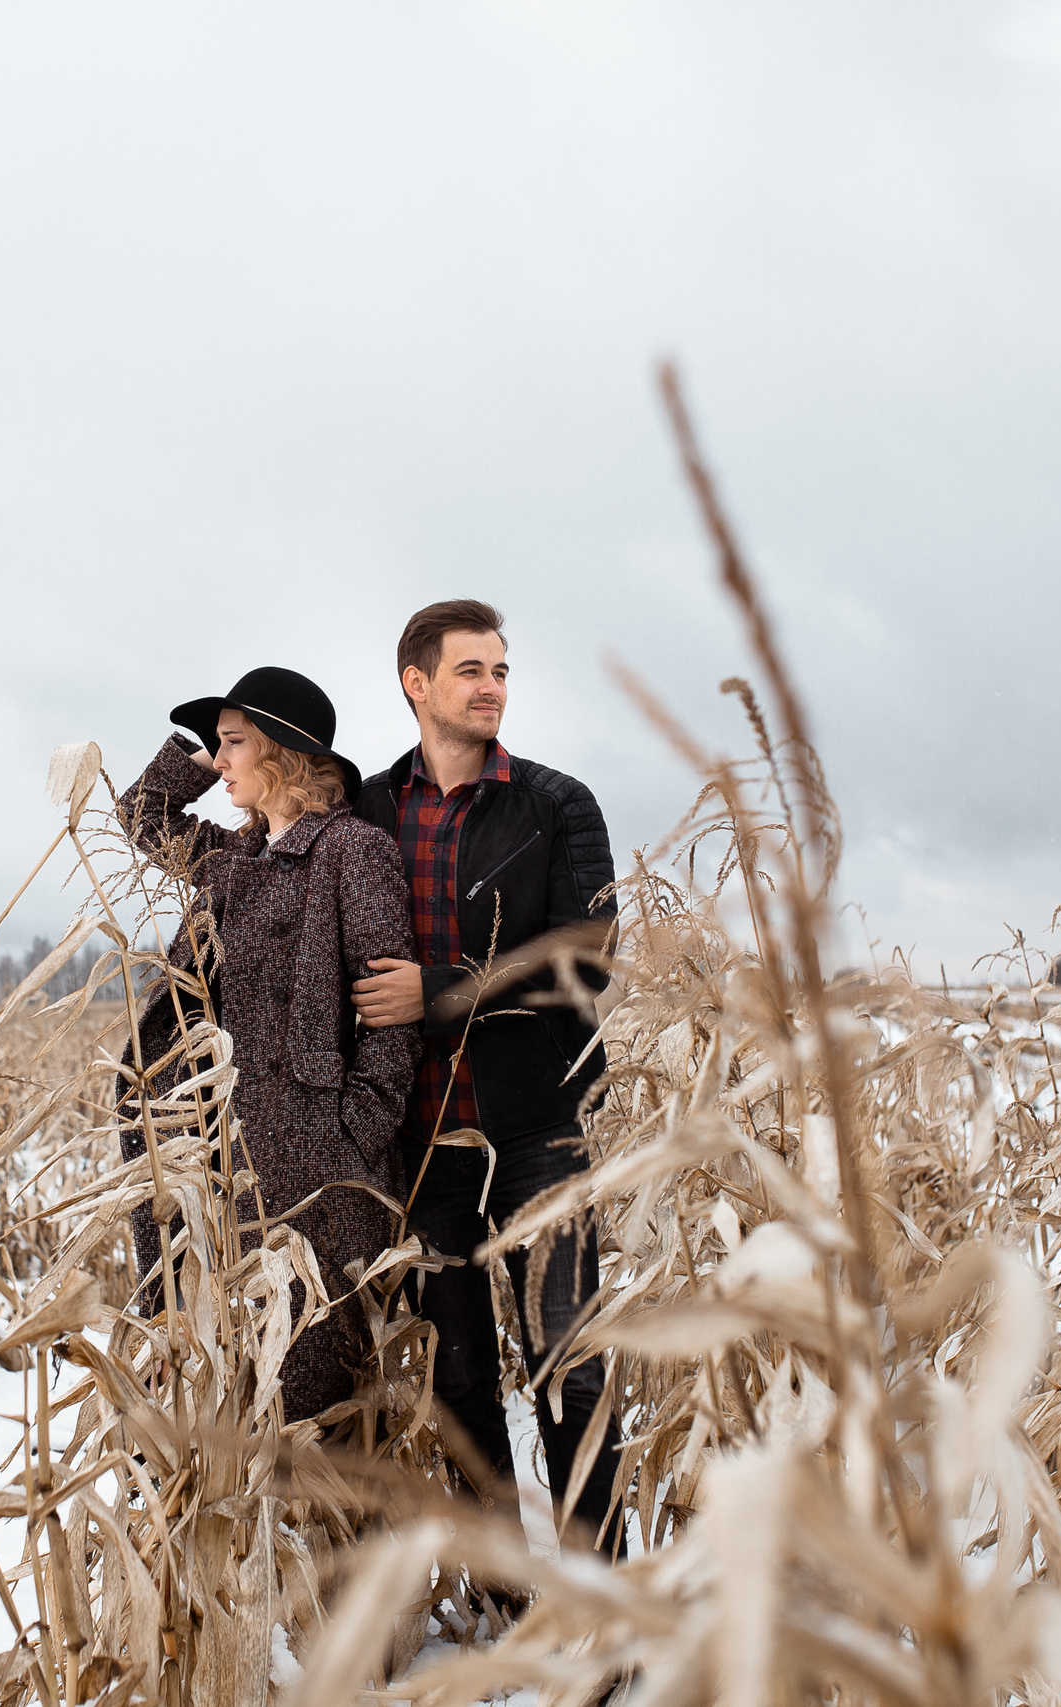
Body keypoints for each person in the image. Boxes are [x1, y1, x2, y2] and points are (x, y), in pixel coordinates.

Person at [349, 599, 628, 1554]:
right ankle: (506, 1591)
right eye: (471, 670)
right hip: (422, 1142)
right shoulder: (369, 811)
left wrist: (438, 991)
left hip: (537, 1130)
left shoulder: (557, 804)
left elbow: (585, 958)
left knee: (569, 1367)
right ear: (416, 682)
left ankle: (601, 1591)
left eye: (501, 671)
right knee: (459, 1378)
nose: (491, 688)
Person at [117, 665, 420, 1423]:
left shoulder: (352, 850)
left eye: (234, 743)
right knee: (231, 1387)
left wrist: (352, 1134)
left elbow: (392, 1014)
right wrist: (204, 748)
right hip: (223, 1161)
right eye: (217, 745)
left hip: (316, 1174)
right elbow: (142, 813)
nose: (220, 761)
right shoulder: (234, 860)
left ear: (283, 750)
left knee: (309, 1400)